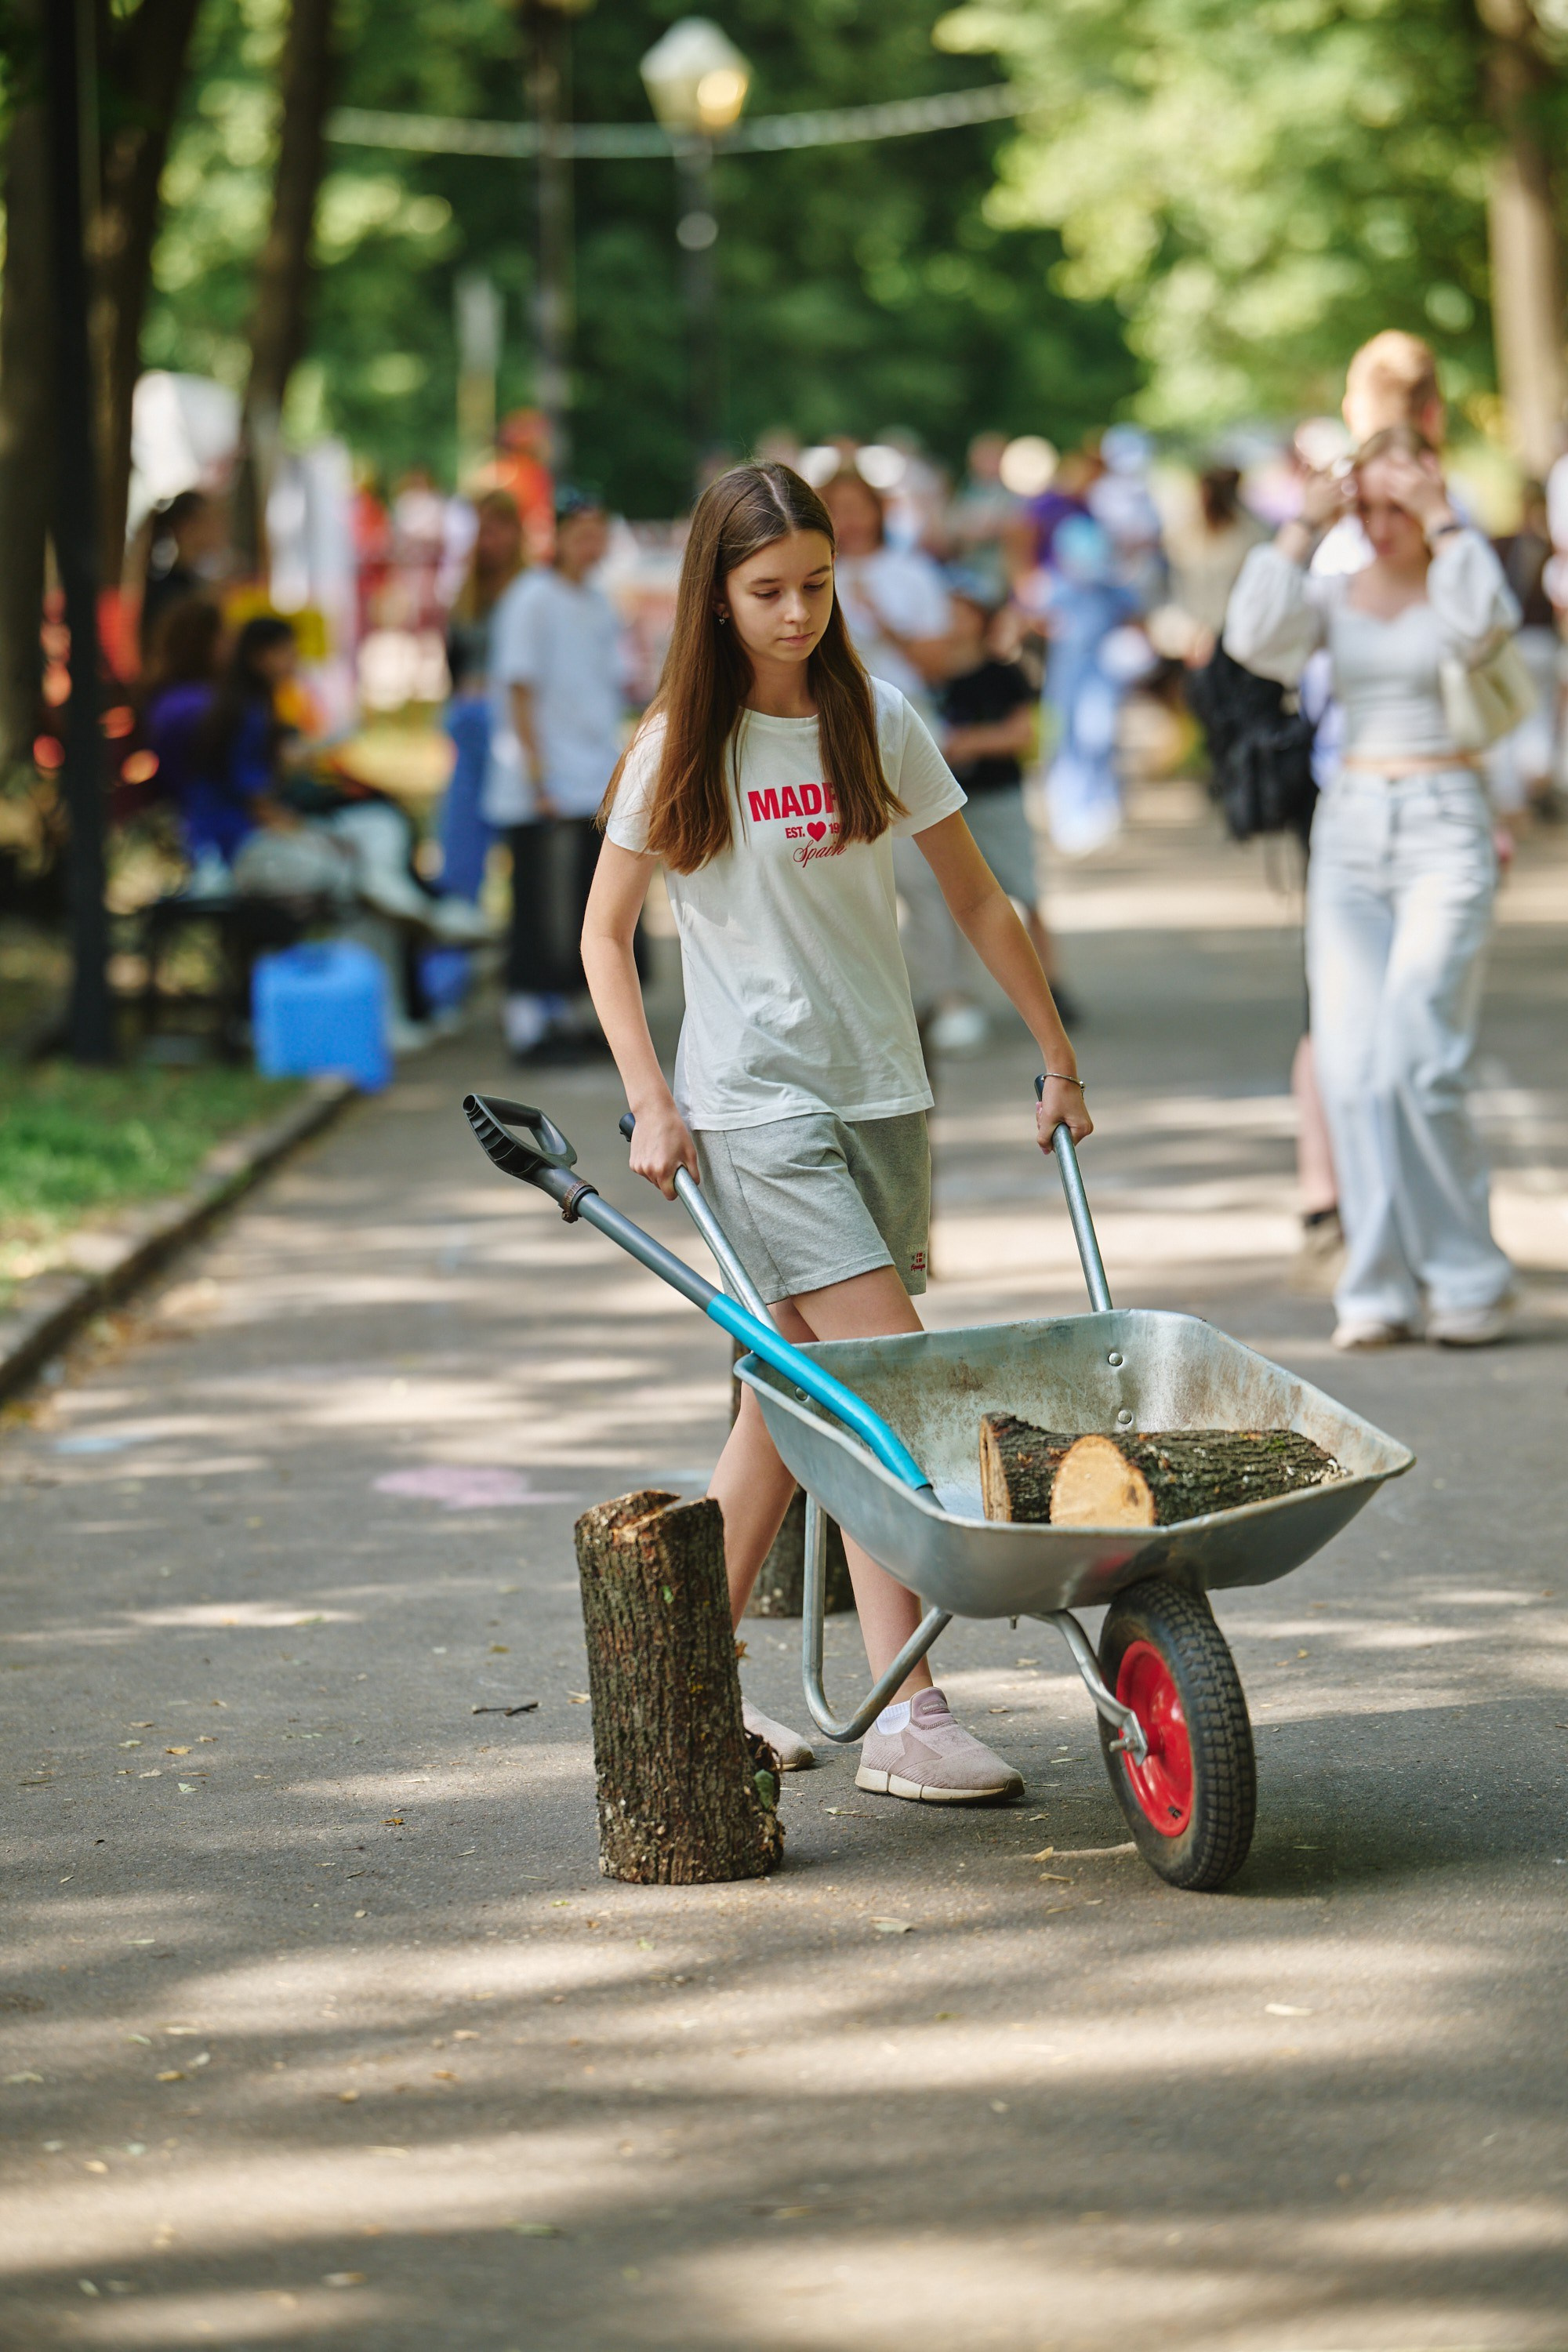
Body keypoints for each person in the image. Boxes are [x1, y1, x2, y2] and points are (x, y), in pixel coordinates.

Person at [581, 460, 1091, 1792]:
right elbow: (602, 933)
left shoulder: (878, 721)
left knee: (787, 1400)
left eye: (816, 585)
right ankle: (909, 1714)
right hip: (753, 1109)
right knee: (887, 1389)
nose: (797, 613)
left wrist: (1053, 1049)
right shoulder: (678, 747)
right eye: (766, 592)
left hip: (883, 1095)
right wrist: (649, 1094)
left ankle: (686, 1699)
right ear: (715, 595)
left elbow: (979, 904)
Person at [1225, 425, 1519, 1348]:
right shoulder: (1332, 592)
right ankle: (1378, 1282)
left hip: (1444, 818)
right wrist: (1298, 527)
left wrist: (1439, 513)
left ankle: (1467, 1274)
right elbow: (1251, 637)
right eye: (1369, 507)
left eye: (1401, 506)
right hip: (1351, 821)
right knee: (1351, 1066)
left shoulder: (1455, 577)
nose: (1383, 525)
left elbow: (1486, 626)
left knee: (1417, 1057)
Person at [485, 486, 626, 1061]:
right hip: (544, 782)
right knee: (540, 902)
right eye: (582, 532)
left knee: (583, 902)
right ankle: (526, 1016)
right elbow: (519, 687)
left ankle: (571, 1013)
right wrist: (537, 775)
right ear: (559, 537)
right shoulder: (530, 598)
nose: (592, 544)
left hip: (591, 778)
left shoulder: (599, 603)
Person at [936, 570, 1073, 1014]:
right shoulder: (929, 674)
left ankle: (1052, 986)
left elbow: (1022, 732)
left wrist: (968, 742)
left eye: (965, 610)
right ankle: (956, 996)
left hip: (997, 796)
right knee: (950, 901)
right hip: (948, 804)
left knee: (1025, 893)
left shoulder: (1001, 673)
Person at [140, 490, 226, 662]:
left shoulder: (195, 582)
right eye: (212, 520)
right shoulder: (171, 593)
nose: (219, 529)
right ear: (187, 527)